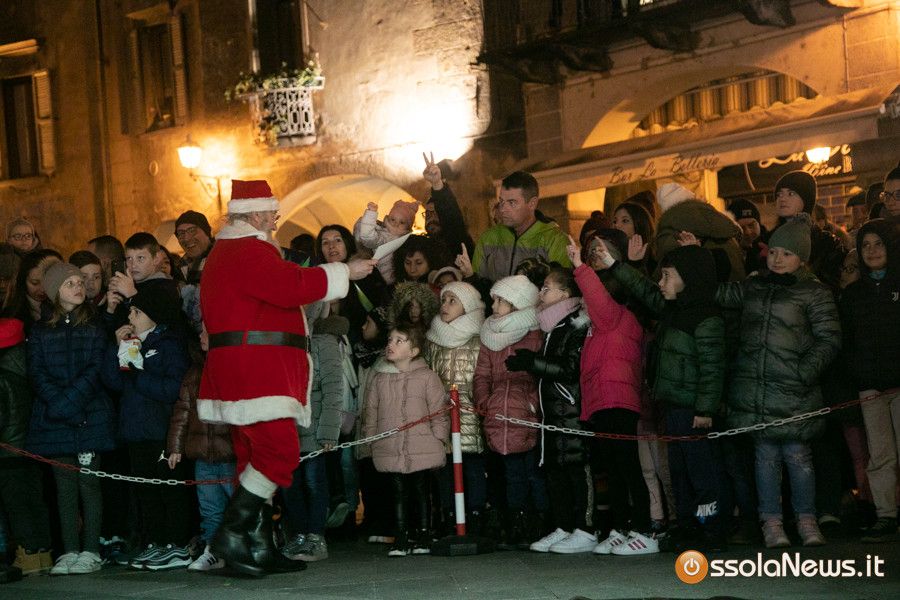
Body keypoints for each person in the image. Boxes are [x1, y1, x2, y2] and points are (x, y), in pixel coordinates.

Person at [197, 179, 375, 577]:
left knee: (253, 457)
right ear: (255, 214)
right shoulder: (248, 249)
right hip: (256, 370)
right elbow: (290, 285)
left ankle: (258, 547)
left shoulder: (230, 251)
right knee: (279, 452)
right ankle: (231, 532)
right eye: (272, 212)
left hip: (243, 367)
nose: (276, 218)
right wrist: (344, 271)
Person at [716, 215, 841, 548]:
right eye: (773, 252)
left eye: (787, 253)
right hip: (759, 391)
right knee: (766, 458)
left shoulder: (814, 292)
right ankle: (771, 523)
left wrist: (804, 371)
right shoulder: (754, 287)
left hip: (795, 391)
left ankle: (806, 520)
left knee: (799, 457)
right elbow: (720, 295)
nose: (778, 259)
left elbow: (829, 338)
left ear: (802, 258)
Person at [599, 239, 729, 553]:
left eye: (668, 276)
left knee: (701, 472)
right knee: (678, 471)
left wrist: (705, 409)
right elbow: (644, 290)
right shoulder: (672, 310)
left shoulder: (706, 319)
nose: (661, 282)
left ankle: (710, 528)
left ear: (690, 279)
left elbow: (713, 367)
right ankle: (685, 524)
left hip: (693, 410)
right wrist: (616, 265)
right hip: (671, 405)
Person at [568, 233, 654, 556]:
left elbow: (599, 298)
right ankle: (620, 527)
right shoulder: (600, 321)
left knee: (628, 466)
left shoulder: (615, 315)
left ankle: (644, 529)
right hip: (603, 400)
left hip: (617, 398)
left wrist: (579, 266)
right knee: (613, 469)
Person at [27, 263, 116, 575]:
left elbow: (94, 369)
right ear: (55, 292)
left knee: (89, 485)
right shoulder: (40, 331)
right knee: (63, 487)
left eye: (80, 282)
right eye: (70, 283)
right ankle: (69, 550)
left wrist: (69, 404)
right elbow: (37, 373)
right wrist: (61, 404)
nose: (79, 287)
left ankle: (91, 550)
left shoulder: (95, 326)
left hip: (89, 415)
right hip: (56, 418)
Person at [103, 285, 192, 570]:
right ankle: (155, 541)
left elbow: (172, 388)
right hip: (135, 431)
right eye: (131, 310)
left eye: (137, 311)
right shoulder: (131, 343)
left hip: (160, 431)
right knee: (146, 491)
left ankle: (177, 544)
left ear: (154, 315)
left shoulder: (168, 344)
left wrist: (138, 374)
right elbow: (115, 383)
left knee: (168, 489)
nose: (130, 316)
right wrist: (116, 348)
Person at [506, 267, 593, 554]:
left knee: (576, 469)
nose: (540, 293)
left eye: (546, 288)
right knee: (556, 470)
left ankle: (585, 528)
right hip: (553, 412)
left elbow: (570, 369)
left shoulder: (576, 324)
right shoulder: (552, 327)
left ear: (565, 294)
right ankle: (564, 526)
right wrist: (531, 362)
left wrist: (533, 363)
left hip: (571, 410)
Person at [473, 275, 546, 550]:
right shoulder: (490, 335)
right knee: (510, 472)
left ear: (517, 304)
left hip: (527, 413)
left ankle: (536, 522)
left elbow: (538, 376)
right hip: (499, 413)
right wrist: (484, 400)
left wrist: (532, 403)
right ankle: (515, 522)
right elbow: (482, 374)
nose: (494, 306)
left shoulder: (535, 334)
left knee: (533, 472)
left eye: (500, 301)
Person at [362, 324, 448, 556]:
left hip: (422, 443)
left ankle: (424, 534)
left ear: (414, 351)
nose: (391, 344)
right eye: (390, 340)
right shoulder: (379, 379)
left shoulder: (427, 377)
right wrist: (371, 440)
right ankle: (401, 536)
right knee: (397, 489)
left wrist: (439, 438)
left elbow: (438, 411)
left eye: (399, 340)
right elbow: (371, 412)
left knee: (421, 489)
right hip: (390, 444)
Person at [839, 218, 900, 543]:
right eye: (865, 245)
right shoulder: (853, 295)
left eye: (878, 244)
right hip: (870, 388)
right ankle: (886, 514)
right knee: (880, 454)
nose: (872, 251)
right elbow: (848, 342)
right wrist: (859, 375)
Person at [280, 301, 349, 563]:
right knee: (289, 485)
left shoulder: (325, 342)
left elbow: (334, 390)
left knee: (314, 483)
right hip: (288, 427)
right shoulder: (284, 340)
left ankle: (315, 536)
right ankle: (298, 535)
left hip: (315, 428)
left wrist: (329, 432)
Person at [165, 323, 235, 572]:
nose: (200, 335)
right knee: (210, 509)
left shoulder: (233, 366)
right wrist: (175, 446)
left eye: (206, 330)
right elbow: (183, 410)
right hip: (202, 455)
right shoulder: (195, 372)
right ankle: (213, 550)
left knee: (237, 505)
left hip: (231, 453)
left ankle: (241, 549)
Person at [424, 282, 488, 534]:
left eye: (453, 301)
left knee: (472, 468)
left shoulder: (480, 338)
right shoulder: (432, 340)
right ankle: (449, 516)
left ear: (468, 306)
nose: (445, 305)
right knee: (445, 469)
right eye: (444, 300)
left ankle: (476, 515)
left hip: (471, 415)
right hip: (442, 415)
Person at [0, 318, 53, 575]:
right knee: (35, 501)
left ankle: (27, 554)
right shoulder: (30, 371)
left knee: (17, 506)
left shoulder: (2, 377)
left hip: (8, 453)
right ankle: (44, 554)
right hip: (33, 448)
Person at [472, 171, 571, 283]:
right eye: (501, 201)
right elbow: (475, 287)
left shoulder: (555, 240)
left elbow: (560, 289)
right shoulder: (488, 238)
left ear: (532, 203)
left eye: (512, 203)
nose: (503, 209)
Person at [653, 183, 745, 282]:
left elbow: (663, 278)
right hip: (735, 287)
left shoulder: (670, 234)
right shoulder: (720, 223)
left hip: (706, 290)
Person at [770, 171, 845, 291]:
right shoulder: (767, 239)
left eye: (790, 193)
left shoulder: (826, 243)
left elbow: (832, 285)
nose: (782, 199)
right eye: (779, 194)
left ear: (806, 199)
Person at [104, 232, 180, 331]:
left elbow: (163, 320)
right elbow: (114, 329)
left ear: (156, 259)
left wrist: (132, 294)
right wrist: (110, 310)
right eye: (129, 258)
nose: (133, 265)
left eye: (140, 258)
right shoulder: (129, 286)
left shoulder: (167, 287)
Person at [422, 152, 474, 266]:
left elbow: (449, 212)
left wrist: (437, 183)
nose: (431, 218)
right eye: (428, 214)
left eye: (436, 212)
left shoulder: (458, 241)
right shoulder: (423, 247)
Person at [354, 199, 418, 284]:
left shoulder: (407, 242)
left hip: (391, 280)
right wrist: (371, 214)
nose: (396, 224)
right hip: (378, 278)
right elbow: (368, 238)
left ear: (408, 227)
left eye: (402, 222)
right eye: (393, 219)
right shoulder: (384, 235)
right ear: (388, 218)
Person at [727, 198, 769, 274]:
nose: (748, 232)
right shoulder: (726, 254)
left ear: (759, 224)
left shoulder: (774, 246)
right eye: (741, 228)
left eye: (751, 225)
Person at [611, 202, 656, 273]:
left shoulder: (653, 258)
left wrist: (635, 263)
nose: (617, 225)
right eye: (615, 221)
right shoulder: (610, 252)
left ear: (639, 225)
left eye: (625, 221)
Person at [174, 210, 214, 285]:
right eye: (181, 233)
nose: (186, 238)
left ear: (207, 232)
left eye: (192, 231)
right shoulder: (179, 268)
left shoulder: (221, 257)